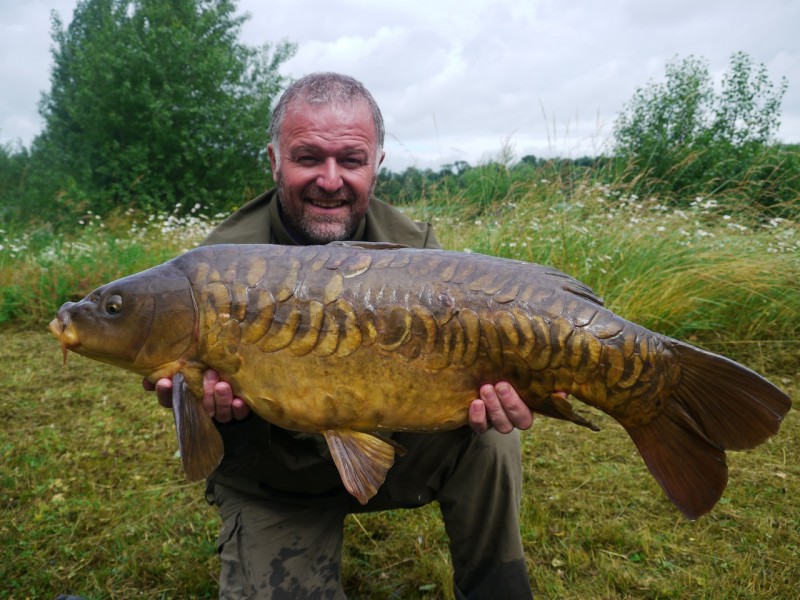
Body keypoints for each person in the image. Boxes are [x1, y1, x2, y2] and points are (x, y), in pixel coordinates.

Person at [145, 72, 536, 599]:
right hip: (276, 475)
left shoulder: (414, 250)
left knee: (490, 433)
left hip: (390, 445)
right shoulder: (214, 270)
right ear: (274, 160)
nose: (330, 180)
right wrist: (217, 418)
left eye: (350, 161)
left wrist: (504, 388)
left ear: (376, 165)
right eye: (308, 157)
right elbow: (210, 454)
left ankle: (499, 590)